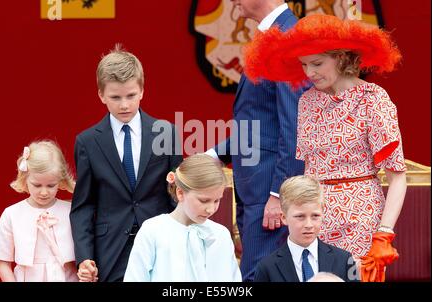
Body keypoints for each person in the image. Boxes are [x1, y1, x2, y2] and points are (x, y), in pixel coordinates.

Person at [244, 14, 407, 282]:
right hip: (314, 219)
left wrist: (384, 233)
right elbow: (308, 168)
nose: (309, 73)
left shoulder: (374, 100)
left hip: (361, 218)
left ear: (342, 58)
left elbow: (397, 176)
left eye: (317, 63)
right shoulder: (307, 101)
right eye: (304, 65)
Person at [206, 0, 305, 281]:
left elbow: (294, 126)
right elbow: (262, 124)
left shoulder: (287, 39)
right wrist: (214, 154)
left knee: (256, 277)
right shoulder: (272, 34)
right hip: (258, 189)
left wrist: (279, 194)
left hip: (269, 192)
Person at [71, 44, 183, 282]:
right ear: (101, 95)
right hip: (110, 251)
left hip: (160, 245)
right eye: (115, 97)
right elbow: (83, 205)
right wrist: (84, 257)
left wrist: (181, 243)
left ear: (142, 90)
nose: (124, 105)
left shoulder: (167, 133)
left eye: (131, 95)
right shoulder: (88, 142)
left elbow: (178, 196)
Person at [123, 154, 241, 282]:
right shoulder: (153, 231)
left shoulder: (221, 234)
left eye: (217, 200)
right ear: (180, 193)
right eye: (204, 200)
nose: (211, 209)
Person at [0, 140, 78, 282]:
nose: (44, 192)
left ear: (60, 180)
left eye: (51, 185)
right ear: (25, 178)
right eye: (37, 185)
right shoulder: (12, 214)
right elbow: (3, 263)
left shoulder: (71, 211)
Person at [254, 176, 356, 282]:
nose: (309, 224)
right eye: (300, 217)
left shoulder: (345, 260)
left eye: (315, 216)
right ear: (284, 217)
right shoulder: (267, 268)